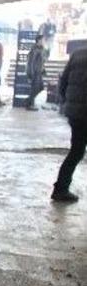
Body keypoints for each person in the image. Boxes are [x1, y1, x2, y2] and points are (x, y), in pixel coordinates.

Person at [51, 47, 87, 203]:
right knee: (76, 151)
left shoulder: (78, 53)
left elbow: (63, 80)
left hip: (75, 113)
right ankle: (61, 189)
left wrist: (67, 103)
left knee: (76, 151)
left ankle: (60, 189)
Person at [26, 35, 46, 110]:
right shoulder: (34, 49)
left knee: (41, 88)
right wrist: (30, 74)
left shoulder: (41, 49)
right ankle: (30, 104)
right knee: (35, 88)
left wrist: (43, 69)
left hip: (39, 72)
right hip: (35, 72)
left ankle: (29, 101)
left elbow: (41, 61)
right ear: (39, 40)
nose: (44, 42)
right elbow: (30, 62)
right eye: (43, 40)